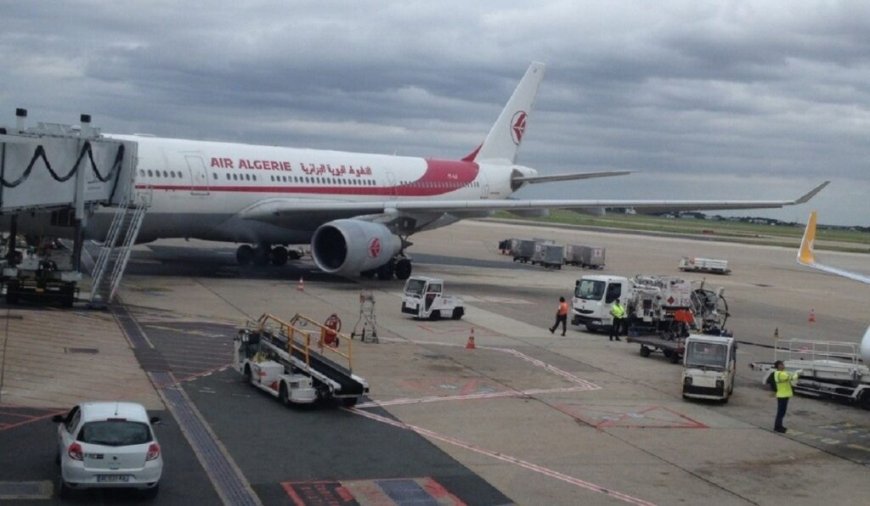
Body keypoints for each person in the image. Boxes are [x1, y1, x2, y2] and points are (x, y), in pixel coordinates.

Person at [772, 360, 799, 433]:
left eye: (783, 364)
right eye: (781, 365)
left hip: (782, 395)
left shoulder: (778, 373)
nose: (783, 366)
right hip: (782, 395)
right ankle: (778, 427)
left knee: (781, 412)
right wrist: (797, 373)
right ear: (778, 366)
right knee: (781, 412)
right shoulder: (781, 374)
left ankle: (779, 426)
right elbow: (792, 378)